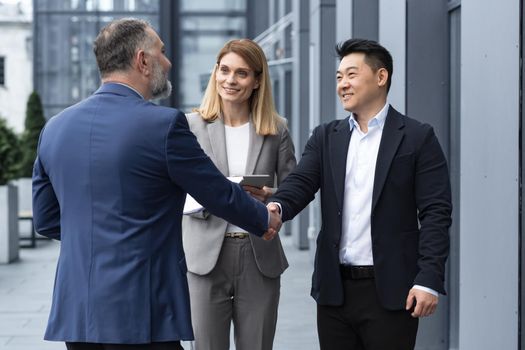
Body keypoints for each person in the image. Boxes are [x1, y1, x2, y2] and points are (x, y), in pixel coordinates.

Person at [32, 18, 281, 350]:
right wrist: (263, 218)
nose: (168, 61)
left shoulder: (55, 128)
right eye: (161, 52)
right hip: (141, 308)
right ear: (142, 61)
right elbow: (216, 192)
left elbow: (46, 220)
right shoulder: (163, 125)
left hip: (77, 310)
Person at [268, 38, 452, 350]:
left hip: (393, 291)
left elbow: (436, 213)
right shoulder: (326, 136)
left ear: (381, 77)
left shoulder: (418, 138)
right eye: (339, 77)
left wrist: (428, 278)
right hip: (334, 292)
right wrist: (275, 206)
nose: (342, 84)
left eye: (351, 75)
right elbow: (300, 183)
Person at [182, 39, 296, 350]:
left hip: (258, 253)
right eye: (225, 70)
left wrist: (270, 196)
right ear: (215, 72)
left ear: (257, 80)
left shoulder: (276, 129)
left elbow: (293, 188)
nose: (231, 80)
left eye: (242, 73)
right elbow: (172, 189)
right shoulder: (189, 127)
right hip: (204, 255)